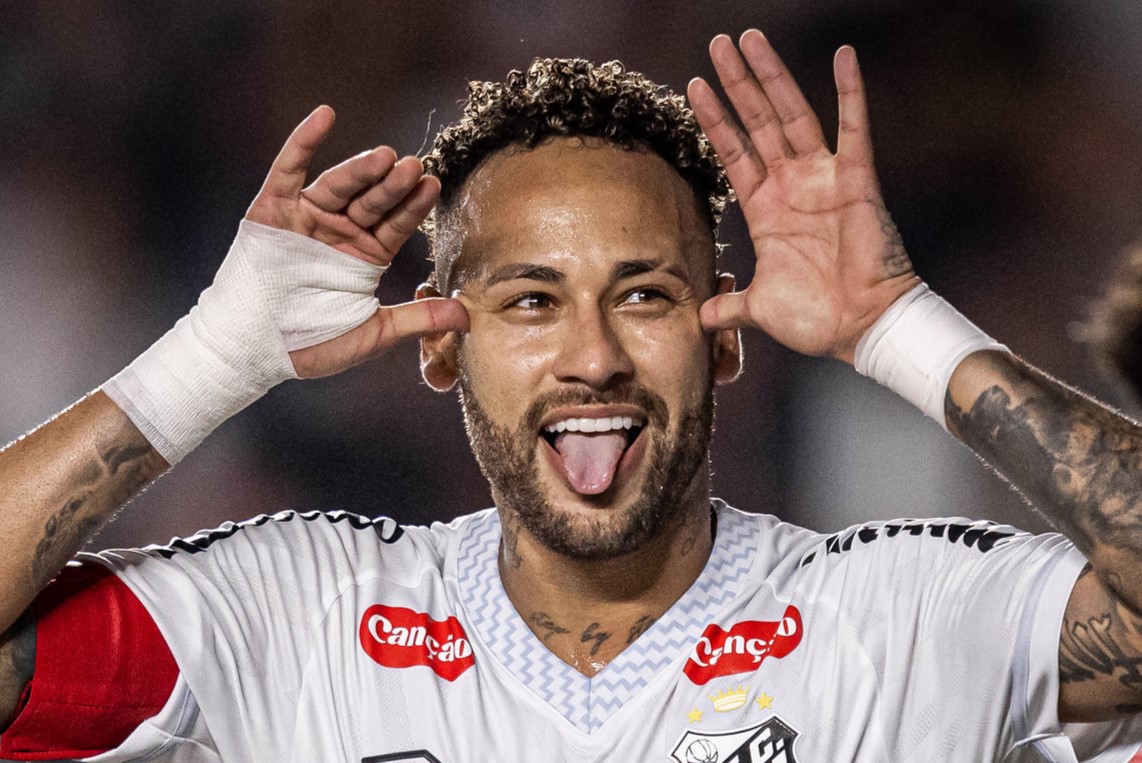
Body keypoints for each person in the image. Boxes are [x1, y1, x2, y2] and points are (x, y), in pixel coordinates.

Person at [1, 29, 1141, 762]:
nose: (592, 355)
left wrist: (898, 328)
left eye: (643, 296)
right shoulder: (297, 614)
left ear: (724, 340)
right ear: (441, 347)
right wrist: (208, 361)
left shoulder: (904, 613)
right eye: (531, 302)